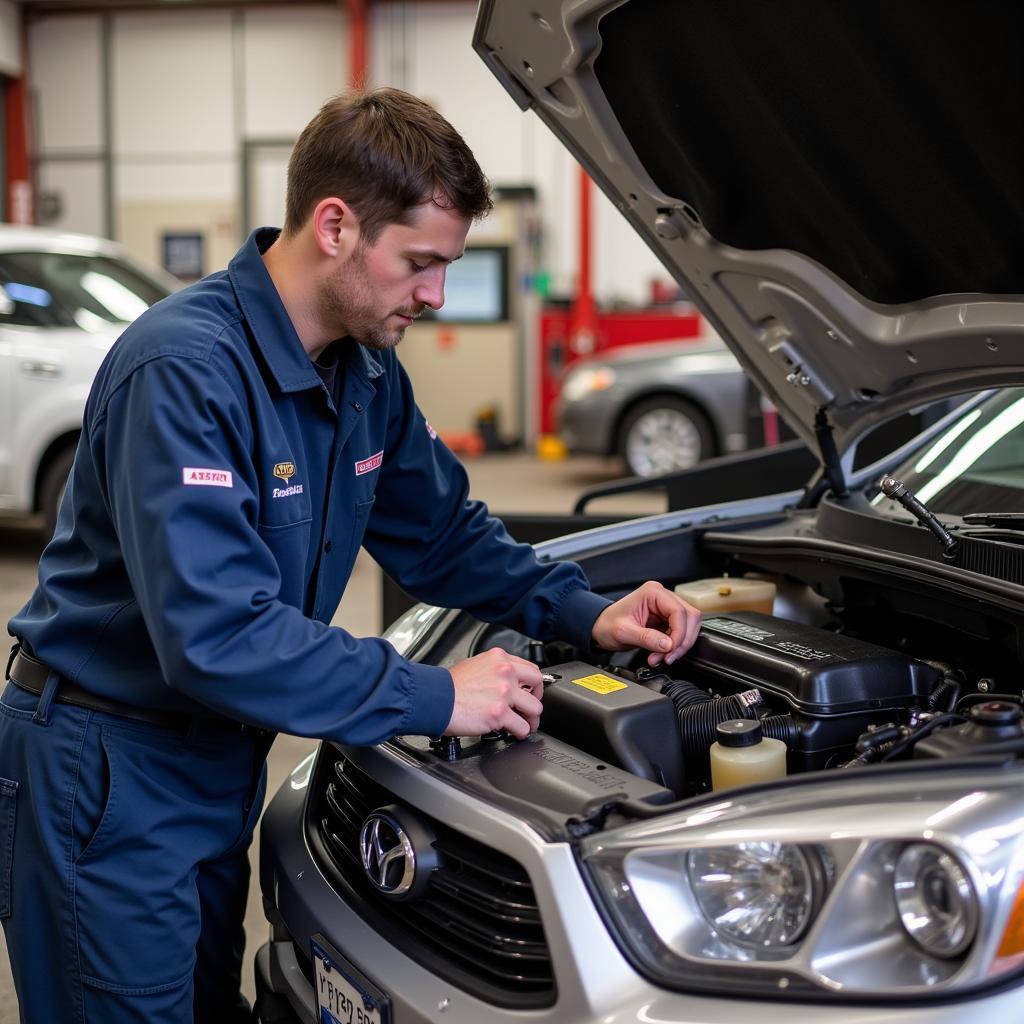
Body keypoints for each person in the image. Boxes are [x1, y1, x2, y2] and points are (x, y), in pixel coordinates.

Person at [0, 88, 700, 1023]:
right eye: (419, 263)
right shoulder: (186, 371)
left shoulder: (364, 371)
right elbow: (216, 636)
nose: (436, 295)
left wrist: (583, 611)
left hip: (214, 759)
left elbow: (444, 534)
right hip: (107, 767)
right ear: (335, 225)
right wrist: (440, 695)